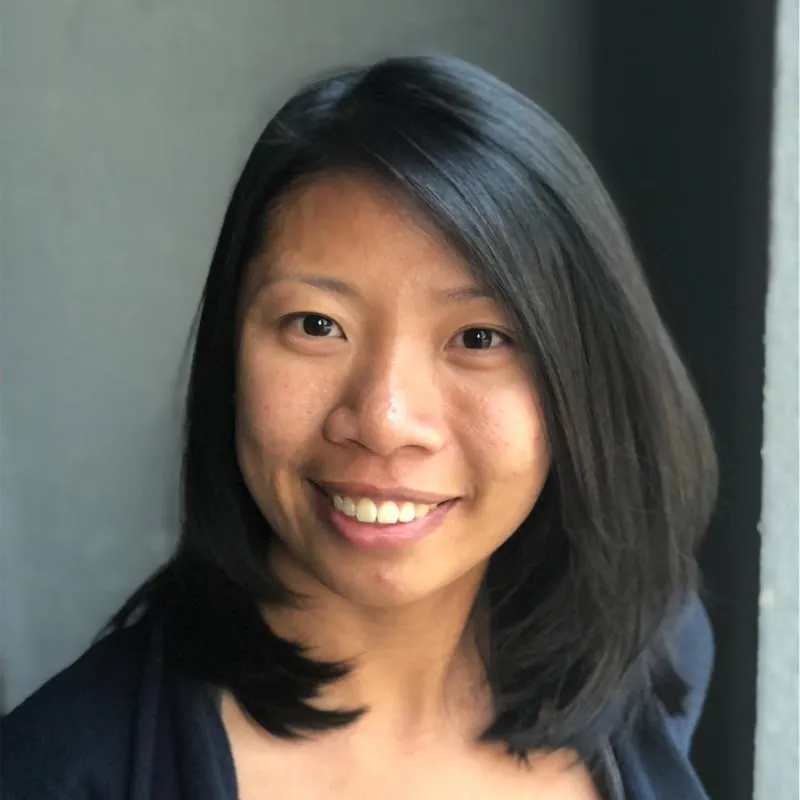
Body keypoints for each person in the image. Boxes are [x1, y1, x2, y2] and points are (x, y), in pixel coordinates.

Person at [3, 54, 718, 799]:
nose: (383, 421)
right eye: (317, 325)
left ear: (586, 376)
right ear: (230, 355)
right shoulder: (57, 774)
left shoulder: (650, 650)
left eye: (478, 338)